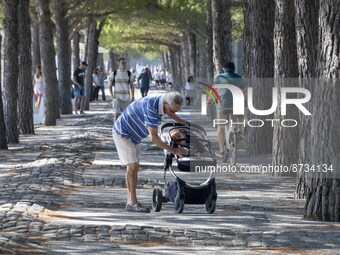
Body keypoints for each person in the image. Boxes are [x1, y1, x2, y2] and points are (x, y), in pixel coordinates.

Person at [112, 91, 190, 213]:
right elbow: (154, 137)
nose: (173, 113)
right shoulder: (151, 108)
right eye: (173, 110)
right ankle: (132, 203)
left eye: (177, 111)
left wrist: (183, 122)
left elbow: (170, 113)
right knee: (132, 166)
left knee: (134, 167)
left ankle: (131, 200)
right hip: (123, 133)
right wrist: (174, 150)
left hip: (134, 136)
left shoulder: (163, 103)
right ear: (165, 103)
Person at [214, 61, 245, 158]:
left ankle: (222, 151)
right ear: (234, 69)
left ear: (224, 69)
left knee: (221, 127)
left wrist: (210, 100)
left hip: (223, 105)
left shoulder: (220, 78)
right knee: (240, 115)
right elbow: (244, 91)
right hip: (237, 105)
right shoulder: (239, 78)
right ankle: (239, 130)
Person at [109, 57, 135, 122]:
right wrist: (112, 96)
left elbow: (132, 86)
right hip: (117, 98)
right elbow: (110, 86)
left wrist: (133, 96)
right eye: (122, 63)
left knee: (126, 116)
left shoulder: (129, 74)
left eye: (125, 63)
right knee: (116, 113)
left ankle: (124, 130)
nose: (124, 64)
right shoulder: (114, 73)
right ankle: (115, 129)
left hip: (126, 98)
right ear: (118, 64)